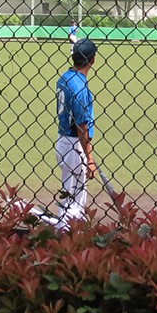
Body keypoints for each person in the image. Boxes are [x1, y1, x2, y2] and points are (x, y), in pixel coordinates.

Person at [54, 37, 99, 229]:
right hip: (74, 144)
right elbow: (82, 126)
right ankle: (68, 237)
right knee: (75, 201)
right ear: (93, 60)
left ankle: (64, 232)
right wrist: (90, 159)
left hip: (63, 139)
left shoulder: (65, 77)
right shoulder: (80, 87)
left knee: (69, 194)